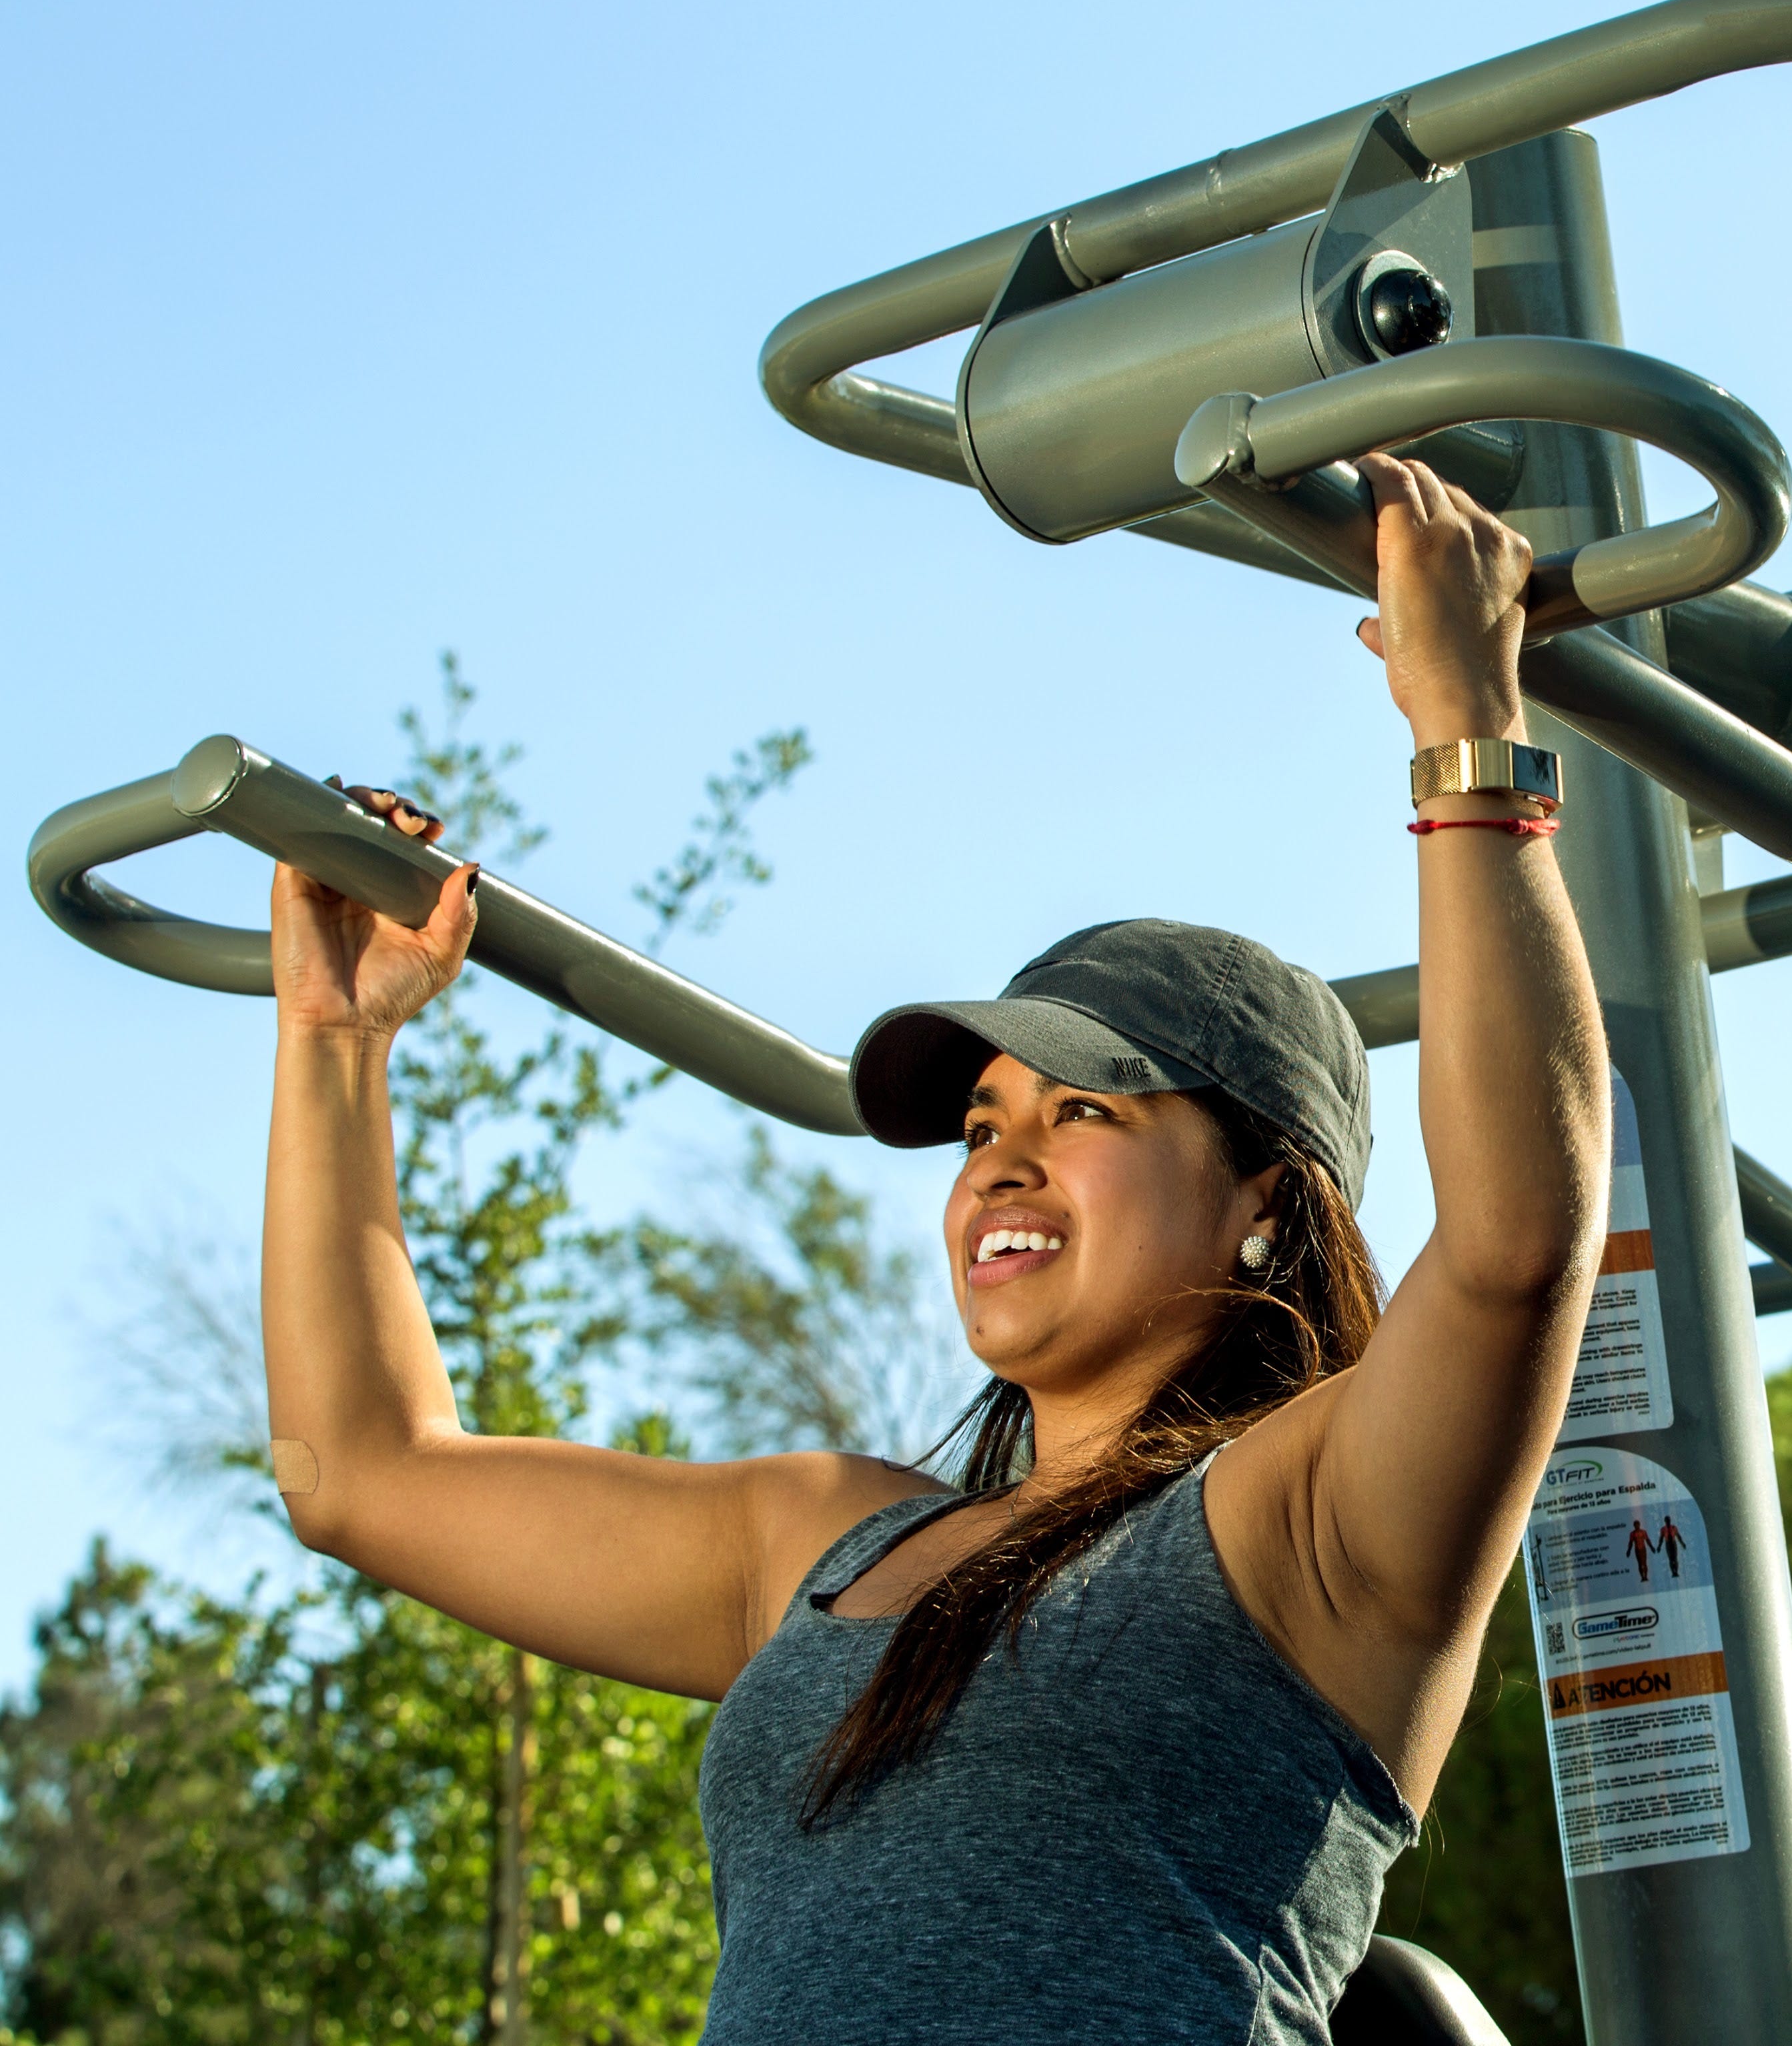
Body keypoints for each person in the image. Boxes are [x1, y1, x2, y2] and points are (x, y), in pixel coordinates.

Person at [258, 455, 1609, 2043]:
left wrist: (1463, 726)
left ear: (1265, 1195)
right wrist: (336, 1045)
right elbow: (356, 1468)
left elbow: (1518, 1245)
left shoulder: (1311, 1519)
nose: (1003, 1163)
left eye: (1086, 1112)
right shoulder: (820, 1545)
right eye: (980, 1125)